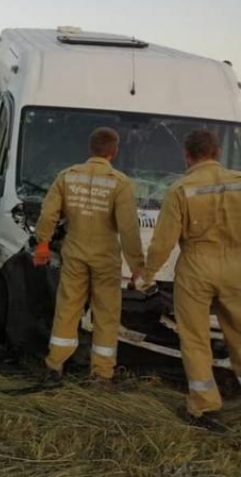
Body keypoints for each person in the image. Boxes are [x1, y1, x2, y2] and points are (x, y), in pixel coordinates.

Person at [136, 130, 241, 432]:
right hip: (237, 267)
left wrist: (147, 274)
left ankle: (204, 406)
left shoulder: (181, 189)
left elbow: (163, 241)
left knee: (195, 340)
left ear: (187, 155)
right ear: (218, 152)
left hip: (196, 269)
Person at [33, 127, 143, 382]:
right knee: (106, 314)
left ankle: (55, 365)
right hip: (106, 259)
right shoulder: (120, 183)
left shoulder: (67, 177)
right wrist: (137, 266)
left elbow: (48, 214)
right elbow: (128, 228)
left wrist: (42, 245)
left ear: (90, 149)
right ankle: (102, 373)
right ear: (114, 152)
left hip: (75, 254)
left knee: (67, 308)